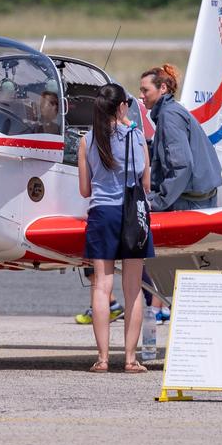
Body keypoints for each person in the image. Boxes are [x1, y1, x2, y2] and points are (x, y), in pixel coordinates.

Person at [77, 82, 154, 373]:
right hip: (132, 215)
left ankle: (103, 357)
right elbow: (145, 182)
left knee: (101, 286)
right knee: (132, 288)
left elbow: (85, 189)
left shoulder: (88, 140)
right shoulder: (136, 136)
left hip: (101, 214)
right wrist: (128, 123)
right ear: (121, 107)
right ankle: (131, 359)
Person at [141, 63, 221, 211]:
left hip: (189, 204)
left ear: (163, 88)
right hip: (198, 198)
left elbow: (182, 165)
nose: (141, 95)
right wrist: (139, 145)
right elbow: (166, 152)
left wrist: (157, 202)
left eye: (145, 90)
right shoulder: (172, 110)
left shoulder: (169, 115)